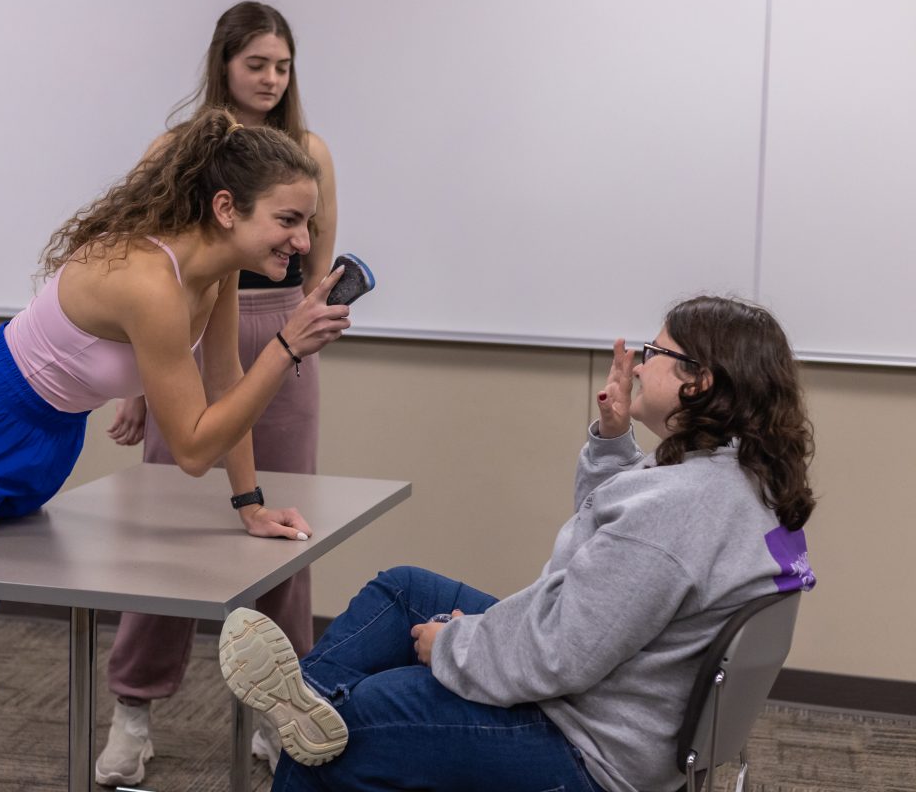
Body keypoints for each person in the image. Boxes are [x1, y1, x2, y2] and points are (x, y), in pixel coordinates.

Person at [0, 107, 352, 792]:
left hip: (45, 440)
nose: (306, 239)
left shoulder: (216, 272)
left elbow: (224, 383)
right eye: (290, 219)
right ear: (226, 209)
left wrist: (249, 502)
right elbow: (189, 446)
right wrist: (287, 346)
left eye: (309, 221)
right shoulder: (152, 282)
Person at [218, 295, 818, 792]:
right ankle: (302, 704)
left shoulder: (677, 513)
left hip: (584, 747)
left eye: (657, 353)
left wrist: (455, 644)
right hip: (622, 705)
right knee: (401, 590)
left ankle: (309, 722)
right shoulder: (736, 480)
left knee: (347, 731)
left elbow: (560, 655)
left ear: (700, 382)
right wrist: (613, 441)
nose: (638, 364)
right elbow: (611, 548)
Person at [97, 1, 337, 786]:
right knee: (173, 530)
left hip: (281, 341)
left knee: (281, 526)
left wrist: (298, 341)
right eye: (256, 63)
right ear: (223, 65)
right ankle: (133, 709)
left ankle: (281, 706)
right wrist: (137, 389)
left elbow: (312, 266)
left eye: (283, 65)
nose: (271, 78)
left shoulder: (308, 152)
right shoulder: (180, 151)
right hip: (190, 337)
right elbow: (144, 268)